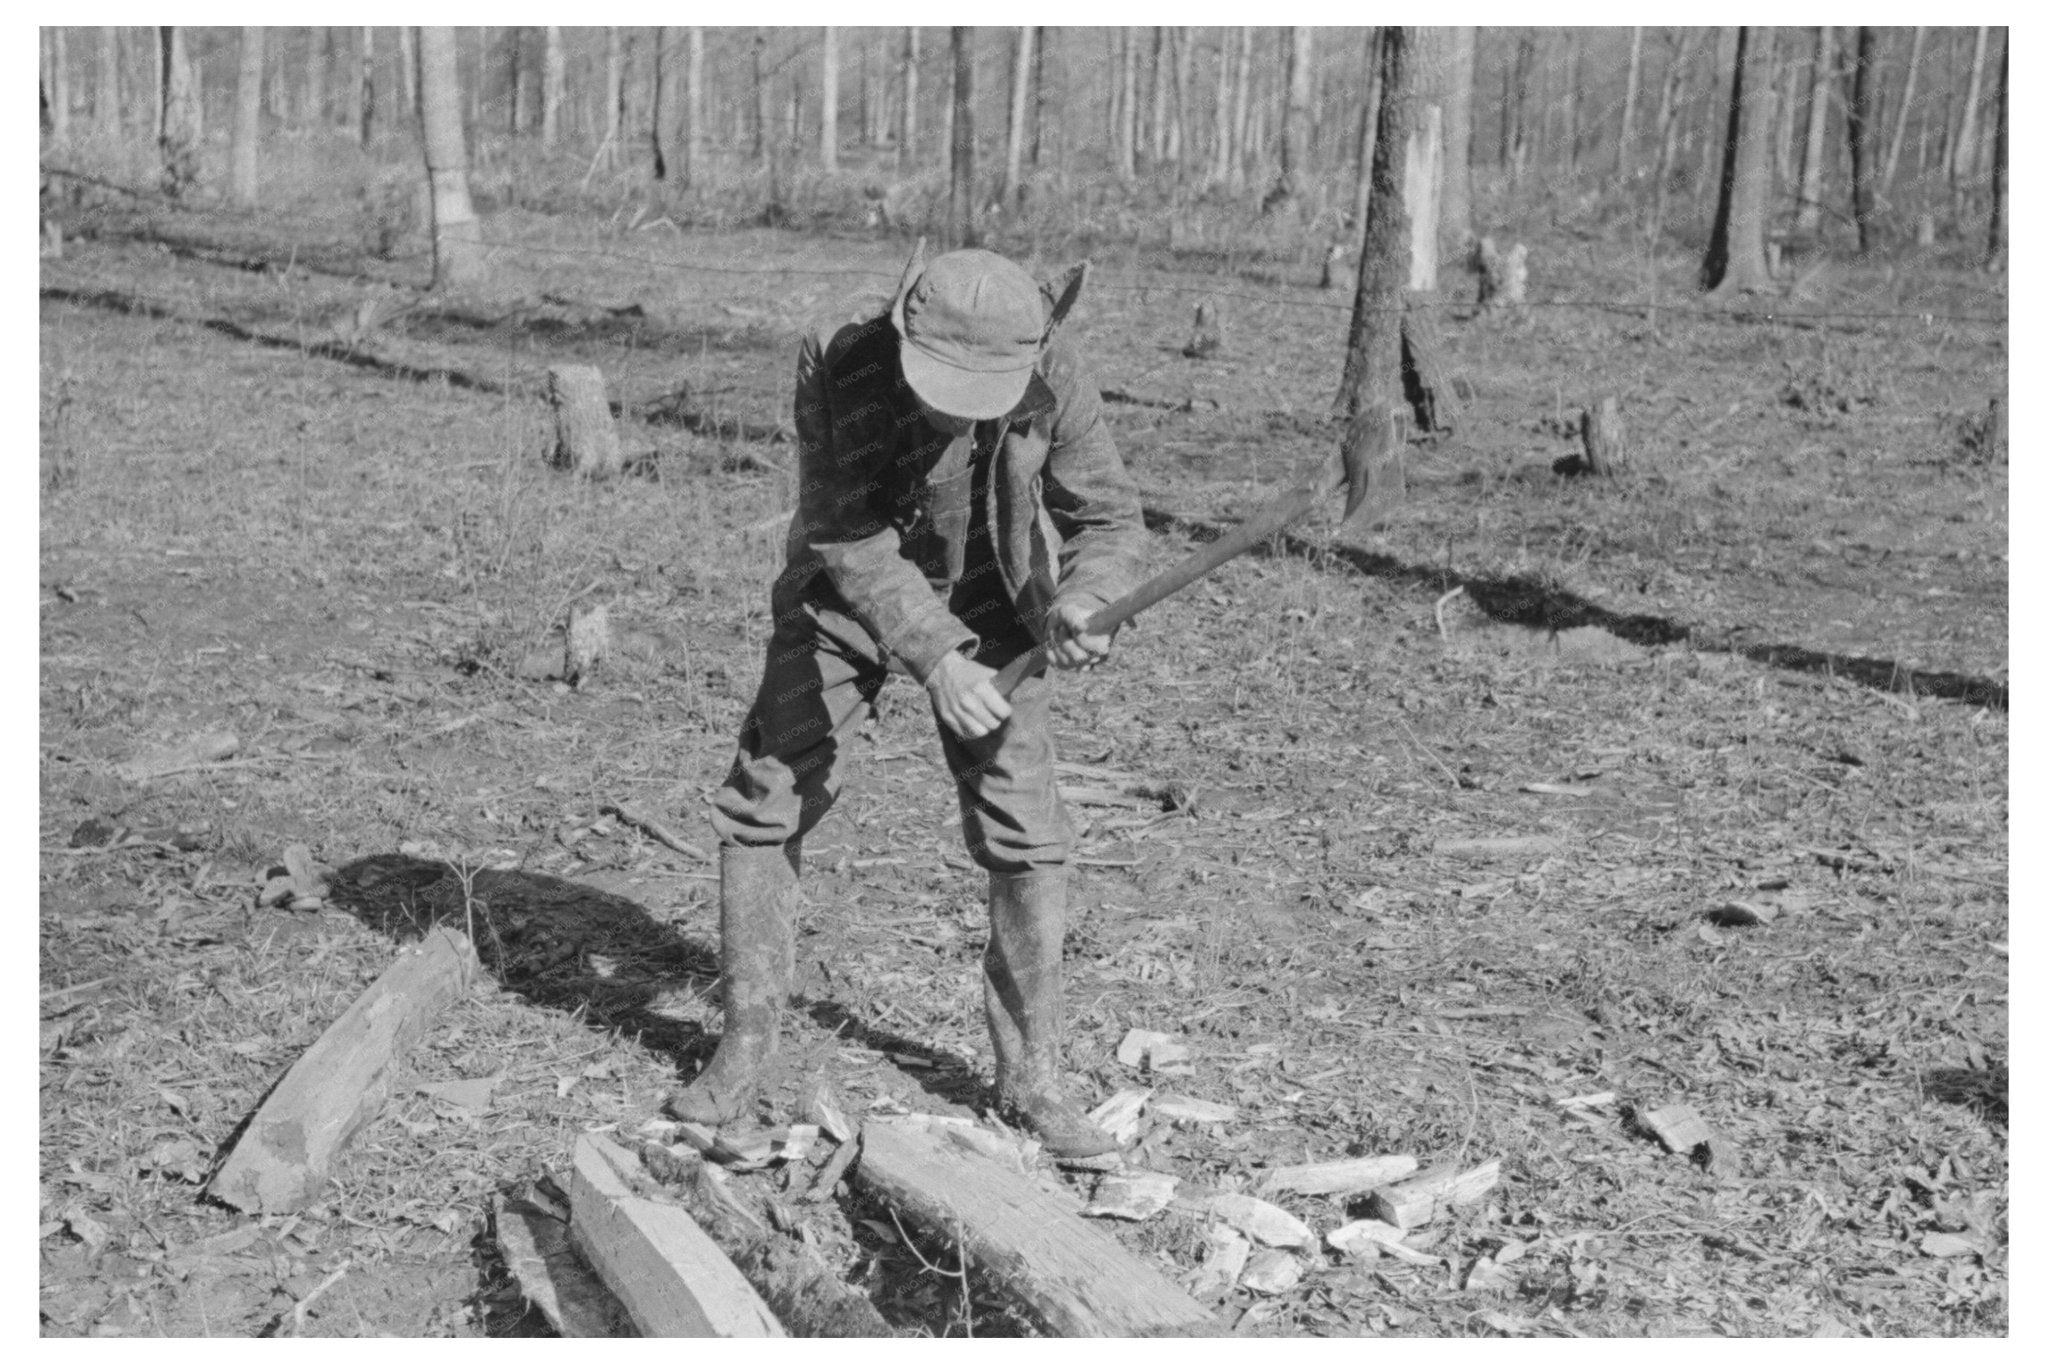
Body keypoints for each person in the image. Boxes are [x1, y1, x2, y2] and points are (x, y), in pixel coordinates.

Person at [669, 246, 1149, 1157]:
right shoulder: (842, 354)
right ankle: (743, 1043)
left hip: (996, 595)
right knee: (766, 794)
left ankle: (1033, 1077)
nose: (953, 409)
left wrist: (1086, 598)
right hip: (850, 587)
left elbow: (1108, 517)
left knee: (1028, 829)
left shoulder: (1054, 364)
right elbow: (845, 533)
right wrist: (935, 657)